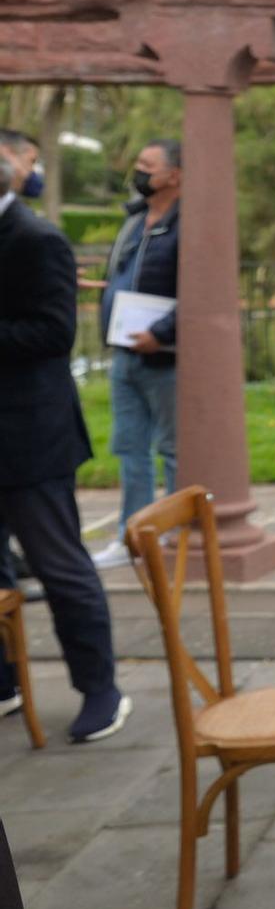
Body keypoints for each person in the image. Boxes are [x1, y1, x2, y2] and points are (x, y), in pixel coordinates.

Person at [0, 129, 129, 743]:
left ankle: (100, 690)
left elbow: (52, 335)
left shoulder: (37, 239)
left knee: (59, 565)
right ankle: (5, 682)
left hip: (29, 436)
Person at [89, 139, 182, 572]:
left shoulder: (189, 225)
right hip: (124, 351)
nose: (138, 172)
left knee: (172, 446)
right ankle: (134, 533)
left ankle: (179, 533)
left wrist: (161, 332)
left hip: (164, 356)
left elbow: (200, 293)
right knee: (129, 446)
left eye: (147, 166)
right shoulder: (136, 219)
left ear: (174, 175)